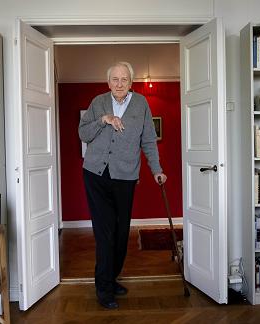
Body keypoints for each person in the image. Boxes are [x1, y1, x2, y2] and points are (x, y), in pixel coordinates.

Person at [78, 61, 167, 309]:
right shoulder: (98, 102)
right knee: (105, 233)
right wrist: (103, 120)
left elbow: (149, 140)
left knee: (120, 232)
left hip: (125, 177)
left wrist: (156, 170)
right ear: (108, 83)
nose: (119, 84)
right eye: (114, 79)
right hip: (96, 175)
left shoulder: (141, 105)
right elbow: (83, 134)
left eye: (124, 79)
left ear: (131, 82)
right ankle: (104, 288)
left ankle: (110, 277)